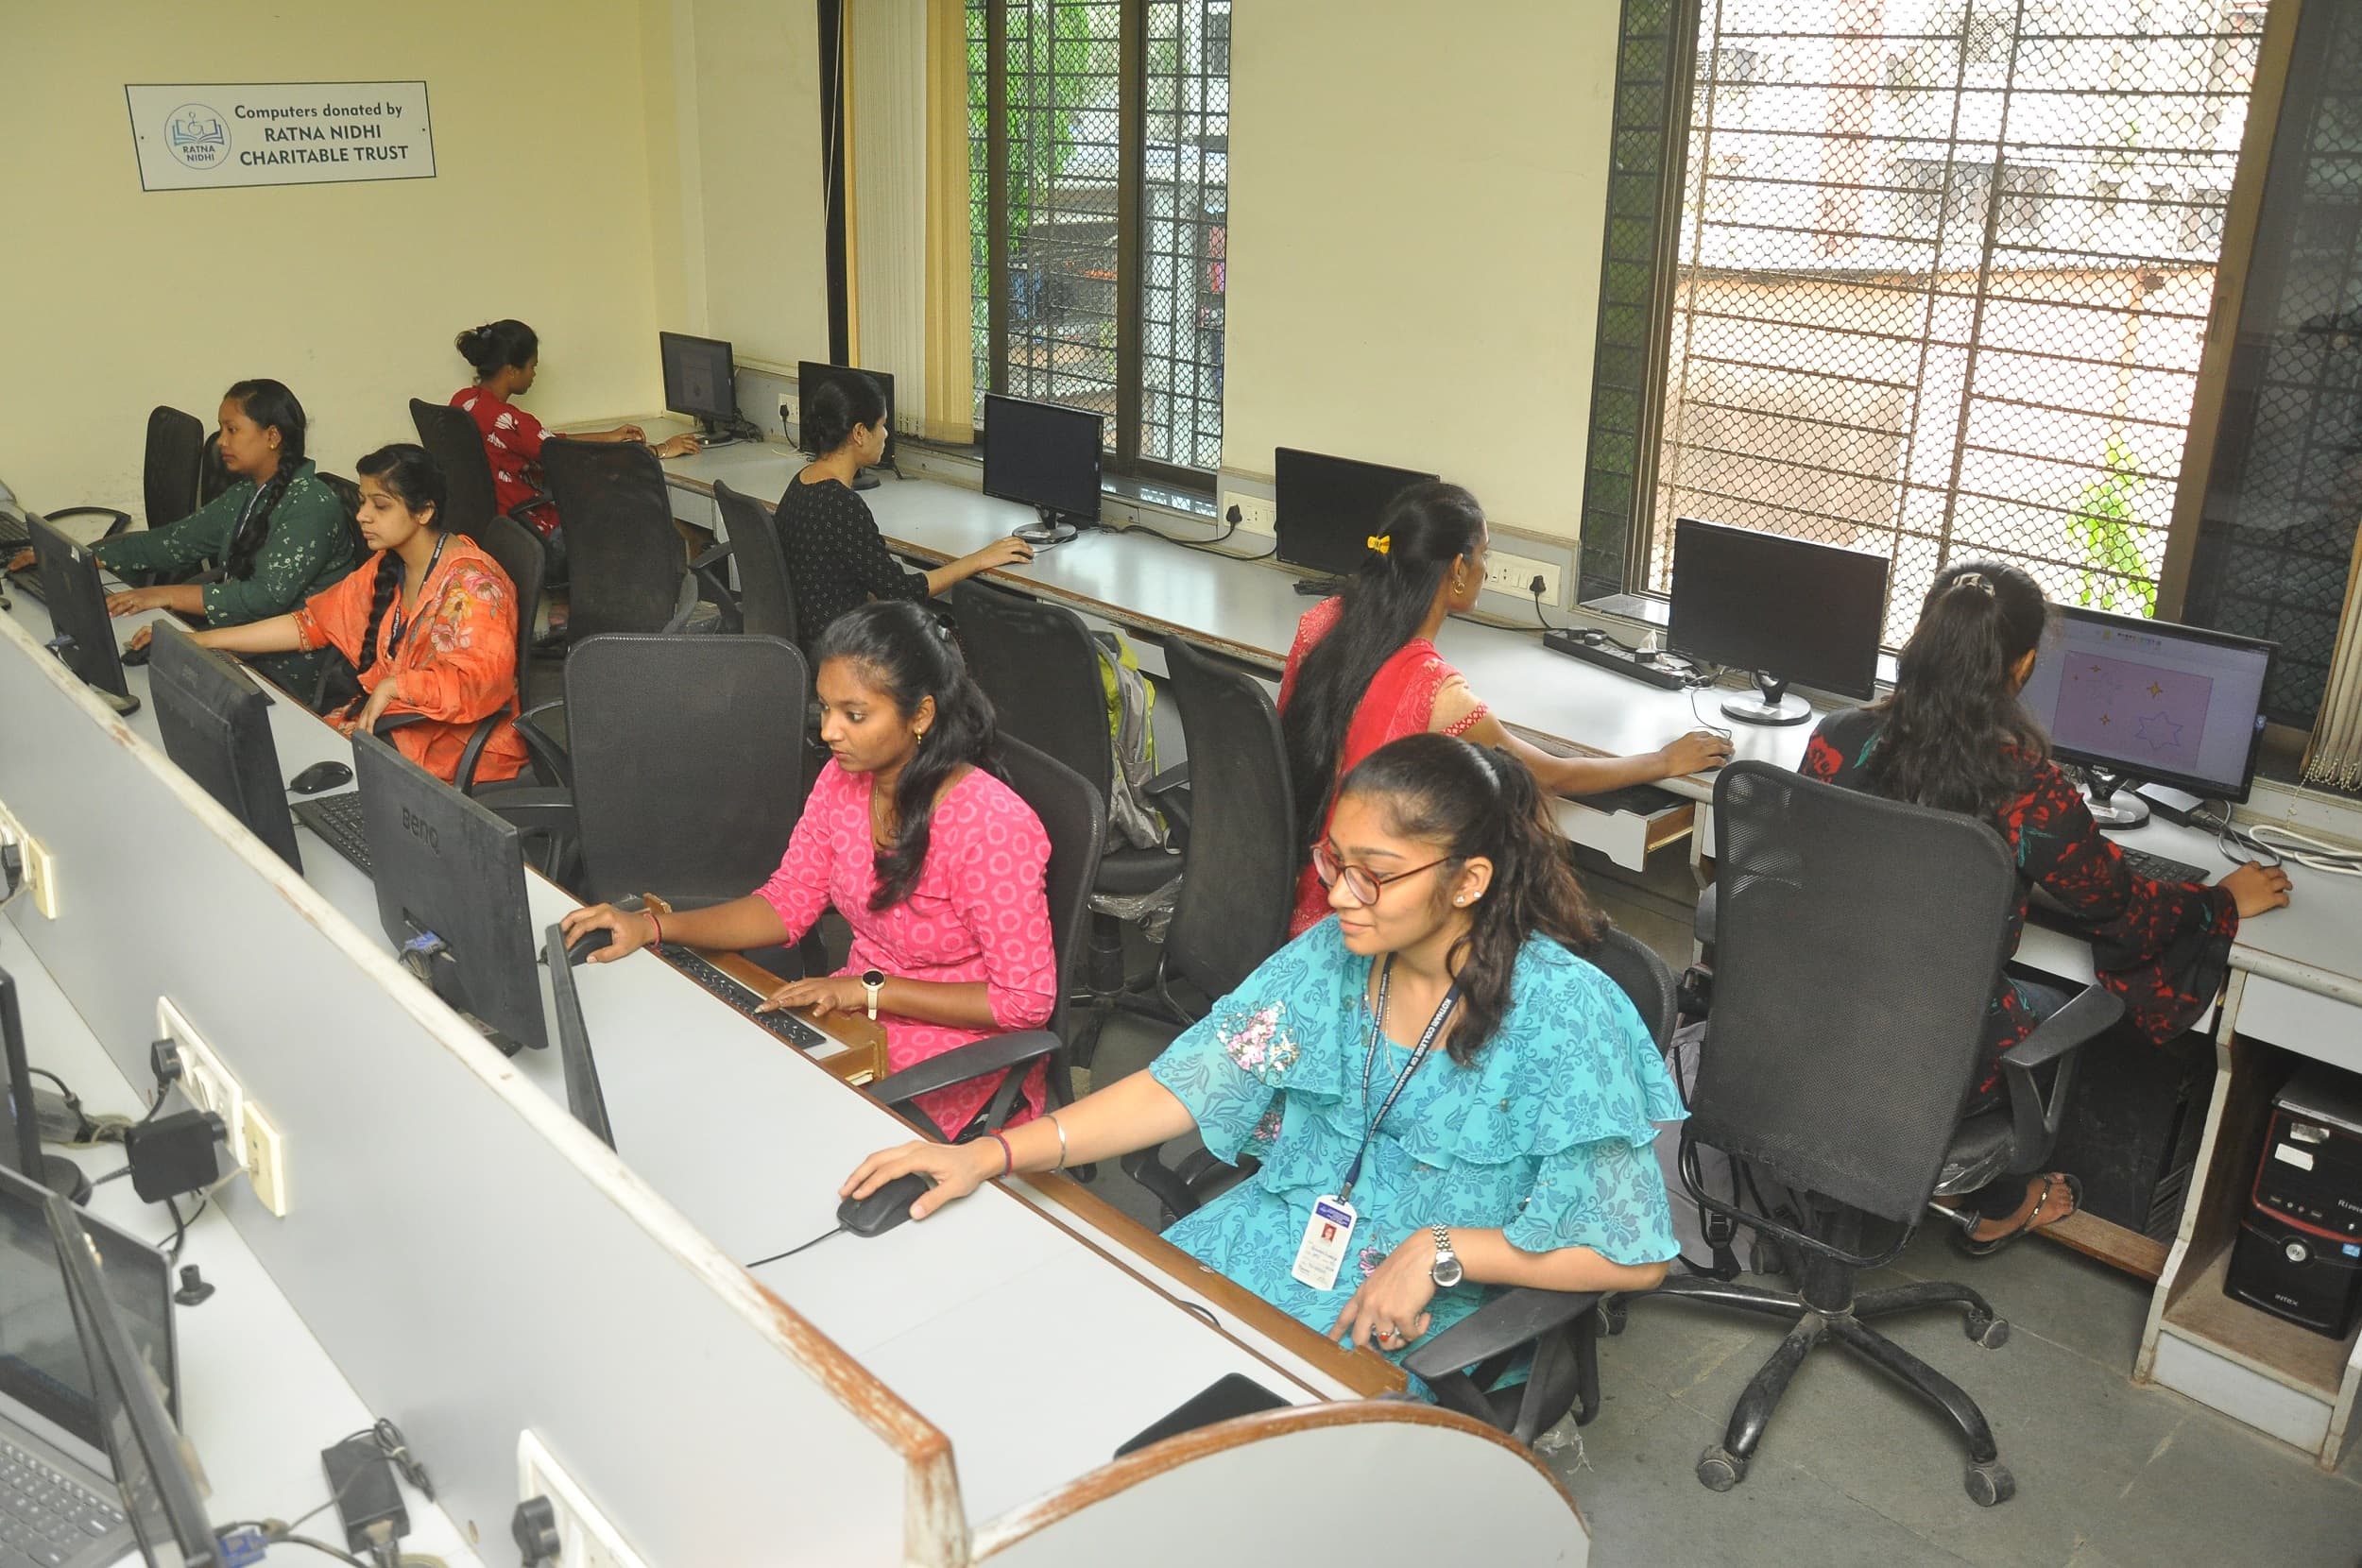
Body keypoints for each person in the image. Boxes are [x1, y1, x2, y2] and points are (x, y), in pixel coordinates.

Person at [840, 733, 1684, 1381]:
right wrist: (989, 1153)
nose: (1341, 895)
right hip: (1275, 1233)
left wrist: (1440, 1249)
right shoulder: (1334, 958)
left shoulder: (1569, 1019)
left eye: (1375, 876)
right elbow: (1189, 1080)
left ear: (1467, 882)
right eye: (1335, 863)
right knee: (1078, 1351)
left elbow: (1634, 1255)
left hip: (1427, 1314)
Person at [1801, 559, 2292, 1254]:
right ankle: (1993, 1193)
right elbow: (2121, 909)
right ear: (2024, 664)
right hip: (1926, 1048)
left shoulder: (1834, 735)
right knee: (2049, 1000)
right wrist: (2219, 900)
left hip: (1799, 1021)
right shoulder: (2021, 782)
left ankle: (1912, 1164)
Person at [559, 600, 1058, 1138]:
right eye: (825, 709)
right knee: (715, 1085)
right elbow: (787, 902)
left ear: (921, 715)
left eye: (855, 715)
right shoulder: (843, 782)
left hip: (959, 1046)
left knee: (770, 1125)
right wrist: (656, 927)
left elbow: (1024, 1004)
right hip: (857, 1010)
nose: (829, 732)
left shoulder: (992, 826)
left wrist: (869, 990)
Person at [1279, 481, 1733, 934]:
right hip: (1358, 915)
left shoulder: (1323, 620)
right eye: (1484, 556)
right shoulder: (1435, 689)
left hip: (1293, 880)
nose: (1486, 571)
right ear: (1458, 568)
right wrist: (1664, 760)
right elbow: (1553, 776)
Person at [191, 444, 529, 786]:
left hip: (451, 740)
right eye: (363, 500)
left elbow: (482, 680)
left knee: (277, 775)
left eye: (380, 505)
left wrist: (395, 685)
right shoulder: (392, 562)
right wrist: (205, 640)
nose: (362, 515)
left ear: (424, 512)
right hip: (394, 722)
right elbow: (313, 623)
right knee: (268, 759)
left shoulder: (474, 585)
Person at [7, 381, 362, 693]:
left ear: (272, 436)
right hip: (236, 636)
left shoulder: (311, 505)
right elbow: (174, 541)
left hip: (284, 663)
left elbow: (262, 599)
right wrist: (80, 556)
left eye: (232, 430)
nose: (221, 442)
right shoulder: (251, 491)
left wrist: (162, 595)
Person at [776, 372, 1034, 656]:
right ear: (860, 433)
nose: (886, 434)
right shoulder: (841, 505)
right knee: (949, 645)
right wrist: (979, 559)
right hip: (840, 649)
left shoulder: (803, 480)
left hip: (811, 634)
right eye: (882, 425)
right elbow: (902, 592)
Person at [451, 319, 703, 544]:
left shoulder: (465, 401)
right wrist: (659, 449)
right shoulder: (509, 421)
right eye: (531, 367)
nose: (534, 374)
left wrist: (608, 436)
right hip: (533, 527)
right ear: (511, 371)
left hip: (494, 525)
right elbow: (571, 456)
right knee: (630, 504)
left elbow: (548, 442)